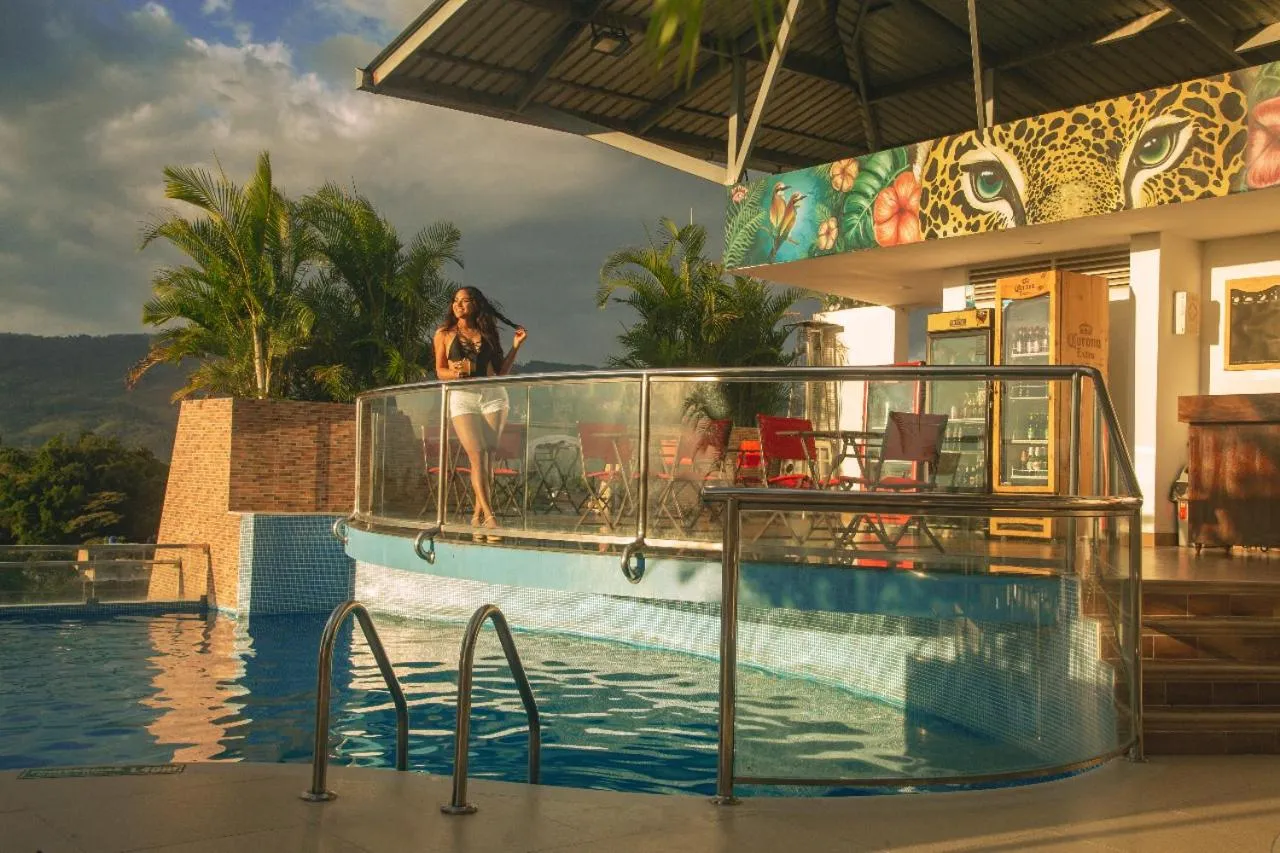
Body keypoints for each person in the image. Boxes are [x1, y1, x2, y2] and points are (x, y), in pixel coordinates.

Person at [433, 286, 528, 538]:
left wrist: (516, 347)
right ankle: (491, 518)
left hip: (493, 397)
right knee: (477, 455)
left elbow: (500, 373)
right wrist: (455, 373)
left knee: (487, 457)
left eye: (464, 301)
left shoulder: (487, 333)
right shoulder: (444, 334)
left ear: (476, 305)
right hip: (463, 398)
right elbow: (439, 370)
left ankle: (477, 517)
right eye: (455, 301)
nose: (458, 305)